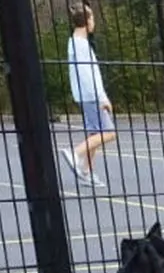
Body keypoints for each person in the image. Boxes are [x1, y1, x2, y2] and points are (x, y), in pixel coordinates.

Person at [59, 2, 114, 189]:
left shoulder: (75, 42)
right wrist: (102, 97)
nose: (94, 22)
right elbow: (87, 74)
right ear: (87, 21)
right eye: (92, 18)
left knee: (95, 133)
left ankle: (86, 171)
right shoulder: (80, 45)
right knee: (109, 133)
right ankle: (76, 153)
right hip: (91, 95)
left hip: (87, 94)